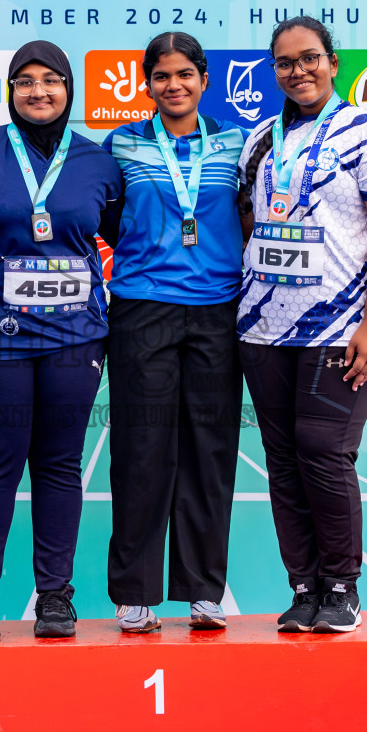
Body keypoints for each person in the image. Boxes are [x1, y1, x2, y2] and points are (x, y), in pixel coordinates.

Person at [0, 40, 122, 640]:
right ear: (10, 90)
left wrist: (113, 311)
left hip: (75, 341)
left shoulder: (96, 162)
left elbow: (124, 241)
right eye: (25, 82)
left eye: (51, 80)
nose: (39, 92)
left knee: (60, 467)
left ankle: (56, 597)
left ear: (70, 89)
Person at [237, 17, 367, 633]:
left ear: (333, 62)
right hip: (263, 332)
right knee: (283, 461)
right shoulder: (258, 139)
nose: (298, 71)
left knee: (324, 452)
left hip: (339, 332)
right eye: (285, 63)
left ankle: (342, 588)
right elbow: (248, 227)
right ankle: (305, 587)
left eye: (309, 58)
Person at [101, 32, 247, 633]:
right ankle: (135, 593)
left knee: (209, 453)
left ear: (204, 80)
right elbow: (110, 218)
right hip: (142, 308)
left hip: (218, 310)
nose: (174, 85)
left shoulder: (236, 143)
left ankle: (203, 592)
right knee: (142, 449)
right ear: (147, 84)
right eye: (161, 76)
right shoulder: (122, 144)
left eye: (185, 74)